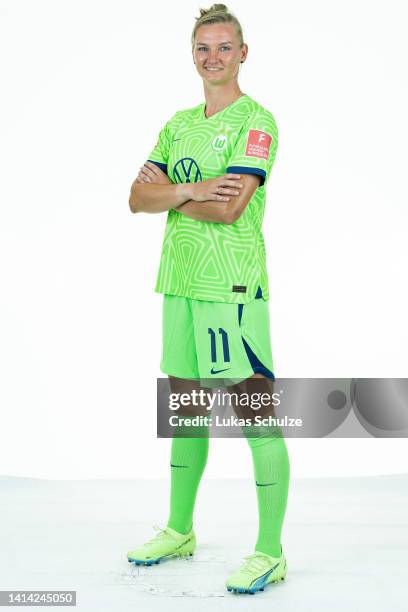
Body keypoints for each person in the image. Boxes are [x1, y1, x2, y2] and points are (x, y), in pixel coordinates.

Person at [126, 3, 290, 595]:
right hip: (180, 281)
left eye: (224, 47)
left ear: (242, 53)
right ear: (191, 55)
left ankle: (270, 551)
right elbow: (135, 199)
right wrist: (192, 187)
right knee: (185, 409)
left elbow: (232, 208)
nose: (212, 57)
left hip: (232, 287)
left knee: (256, 417)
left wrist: (170, 194)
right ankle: (179, 529)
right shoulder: (176, 125)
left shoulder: (257, 122)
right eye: (203, 48)